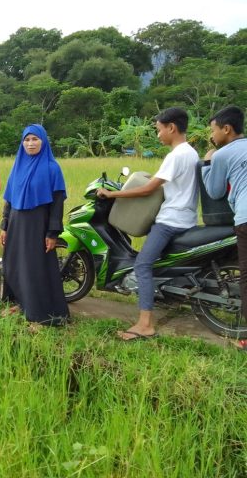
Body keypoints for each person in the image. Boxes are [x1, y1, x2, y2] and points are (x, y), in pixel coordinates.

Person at [97, 107, 199, 340]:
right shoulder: (190, 152)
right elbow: (164, 182)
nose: (158, 135)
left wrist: (112, 195)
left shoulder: (177, 155)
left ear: (171, 127)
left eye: (158, 129)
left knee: (142, 265)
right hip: (187, 219)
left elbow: (149, 188)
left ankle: (145, 324)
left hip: (171, 221)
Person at [1, 124, 69, 325]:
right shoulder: (18, 166)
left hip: (38, 225)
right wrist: (4, 225)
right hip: (16, 223)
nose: (30, 144)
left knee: (34, 267)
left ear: (43, 141)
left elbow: (57, 203)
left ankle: (39, 311)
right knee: (14, 264)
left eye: (35, 139)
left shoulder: (52, 168)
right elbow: (10, 199)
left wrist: (52, 232)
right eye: (26, 140)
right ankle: (21, 303)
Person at [201, 105, 247, 349]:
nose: (212, 136)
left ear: (226, 129)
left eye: (214, 130)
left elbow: (215, 191)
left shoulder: (221, 154)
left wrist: (208, 163)